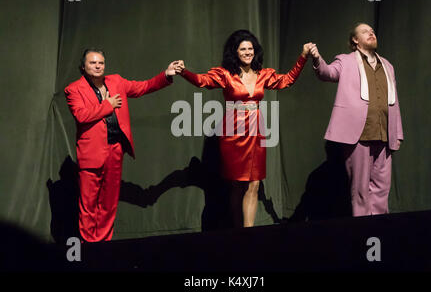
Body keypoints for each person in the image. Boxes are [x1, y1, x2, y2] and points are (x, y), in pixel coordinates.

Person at [176, 30, 312, 227]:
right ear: (235, 52)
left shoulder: (263, 74)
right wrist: (184, 72)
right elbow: (202, 81)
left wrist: (303, 57)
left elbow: (287, 80)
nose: (248, 52)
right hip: (233, 132)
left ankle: (250, 233)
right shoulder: (225, 74)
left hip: (257, 130)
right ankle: (238, 231)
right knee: (238, 185)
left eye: (250, 49)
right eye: (243, 49)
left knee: (254, 184)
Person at [65, 48, 179, 242]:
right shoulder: (73, 89)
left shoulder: (115, 81)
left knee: (109, 203)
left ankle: (104, 245)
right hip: (91, 153)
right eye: (93, 63)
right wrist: (108, 105)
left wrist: (165, 75)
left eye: (101, 62)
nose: (98, 66)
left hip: (115, 150)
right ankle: (89, 245)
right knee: (89, 204)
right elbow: (81, 115)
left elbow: (143, 87)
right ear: (83, 66)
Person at [309, 23, 404, 216]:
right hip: (359, 135)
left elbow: (394, 101)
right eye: (365, 31)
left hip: (385, 135)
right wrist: (317, 58)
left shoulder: (387, 65)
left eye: (372, 31)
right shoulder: (345, 61)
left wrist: (398, 133)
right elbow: (327, 73)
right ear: (355, 40)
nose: (371, 33)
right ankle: (362, 232)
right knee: (360, 191)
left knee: (381, 190)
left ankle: (378, 230)